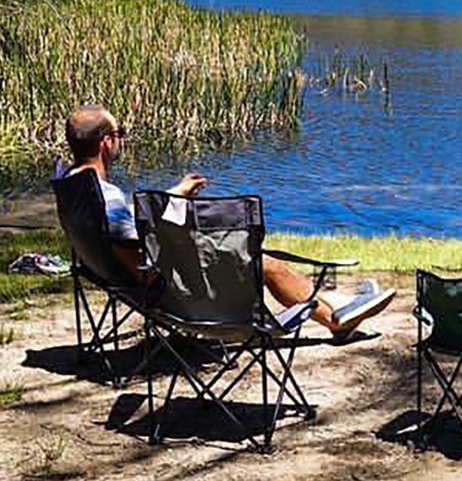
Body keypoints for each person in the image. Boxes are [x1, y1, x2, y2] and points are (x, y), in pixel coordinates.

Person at [57, 105, 394, 338]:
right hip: (170, 296)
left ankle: (338, 304)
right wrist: (180, 260)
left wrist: (174, 194)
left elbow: (127, 227)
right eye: (120, 133)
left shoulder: (76, 184)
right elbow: (135, 251)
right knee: (261, 262)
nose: (122, 139)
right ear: (106, 142)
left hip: (118, 280)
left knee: (249, 256)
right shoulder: (108, 197)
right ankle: (337, 320)